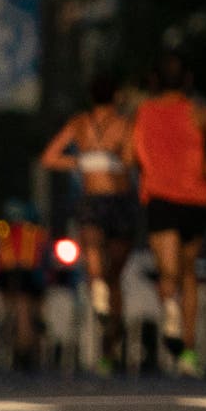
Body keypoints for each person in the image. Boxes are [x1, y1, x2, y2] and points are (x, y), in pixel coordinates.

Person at [41, 73, 139, 373]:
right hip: (120, 200)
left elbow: (49, 157)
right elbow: (133, 160)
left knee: (93, 248)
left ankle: (97, 291)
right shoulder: (126, 125)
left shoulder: (79, 124)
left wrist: (83, 161)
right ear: (116, 96)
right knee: (116, 277)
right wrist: (111, 160)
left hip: (91, 197)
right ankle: (111, 342)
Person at [134, 53, 206, 377]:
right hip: (195, 198)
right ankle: (189, 349)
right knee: (189, 273)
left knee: (167, 271)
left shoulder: (145, 112)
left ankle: (169, 309)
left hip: (160, 197)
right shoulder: (199, 112)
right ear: (187, 80)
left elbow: (134, 153)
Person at [0, 200, 48, 370]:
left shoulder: (37, 233)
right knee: (21, 308)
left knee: (24, 309)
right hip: (12, 281)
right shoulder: (3, 231)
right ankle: (20, 347)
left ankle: (25, 349)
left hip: (28, 281)